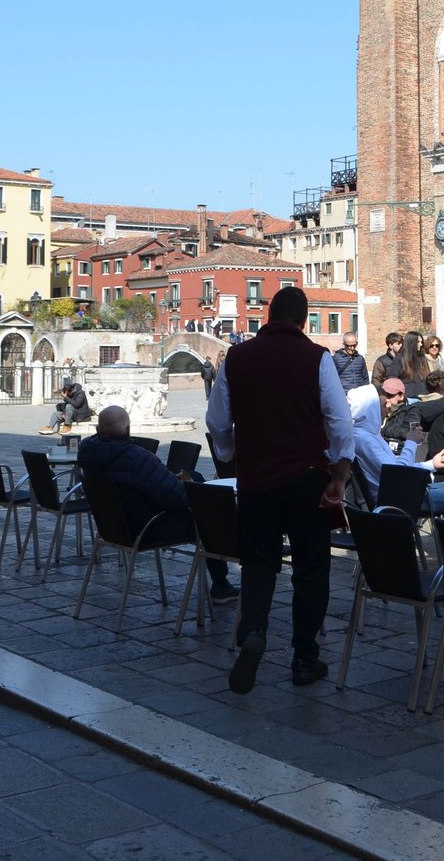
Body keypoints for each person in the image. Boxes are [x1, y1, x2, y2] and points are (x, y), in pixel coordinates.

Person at [206, 286, 352, 694]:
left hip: (256, 481)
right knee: (310, 568)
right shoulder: (317, 358)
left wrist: (232, 452)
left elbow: (217, 421)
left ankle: (252, 633)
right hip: (306, 479)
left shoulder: (237, 357)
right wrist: (339, 475)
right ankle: (305, 657)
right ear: (304, 320)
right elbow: (340, 422)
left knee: (258, 564)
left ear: (269, 315)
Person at [79, 405, 235, 601]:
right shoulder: (136, 458)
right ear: (128, 430)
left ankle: (221, 583)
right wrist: (186, 485)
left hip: (116, 527)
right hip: (147, 527)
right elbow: (178, 499)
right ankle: (220, 584)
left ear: (98, 430)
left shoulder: (88, 454)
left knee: (194, 477)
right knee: (207, 515)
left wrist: (175, 479)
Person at [353, 380, 444, 515]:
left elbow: (399, 469)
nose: (389, 408)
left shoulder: (370, 435)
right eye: (384, 405)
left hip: (406, 491)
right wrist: (411, 442)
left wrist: (432, 464)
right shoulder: (364, 439)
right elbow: (398, 473)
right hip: (399, 499)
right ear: (370, 409)